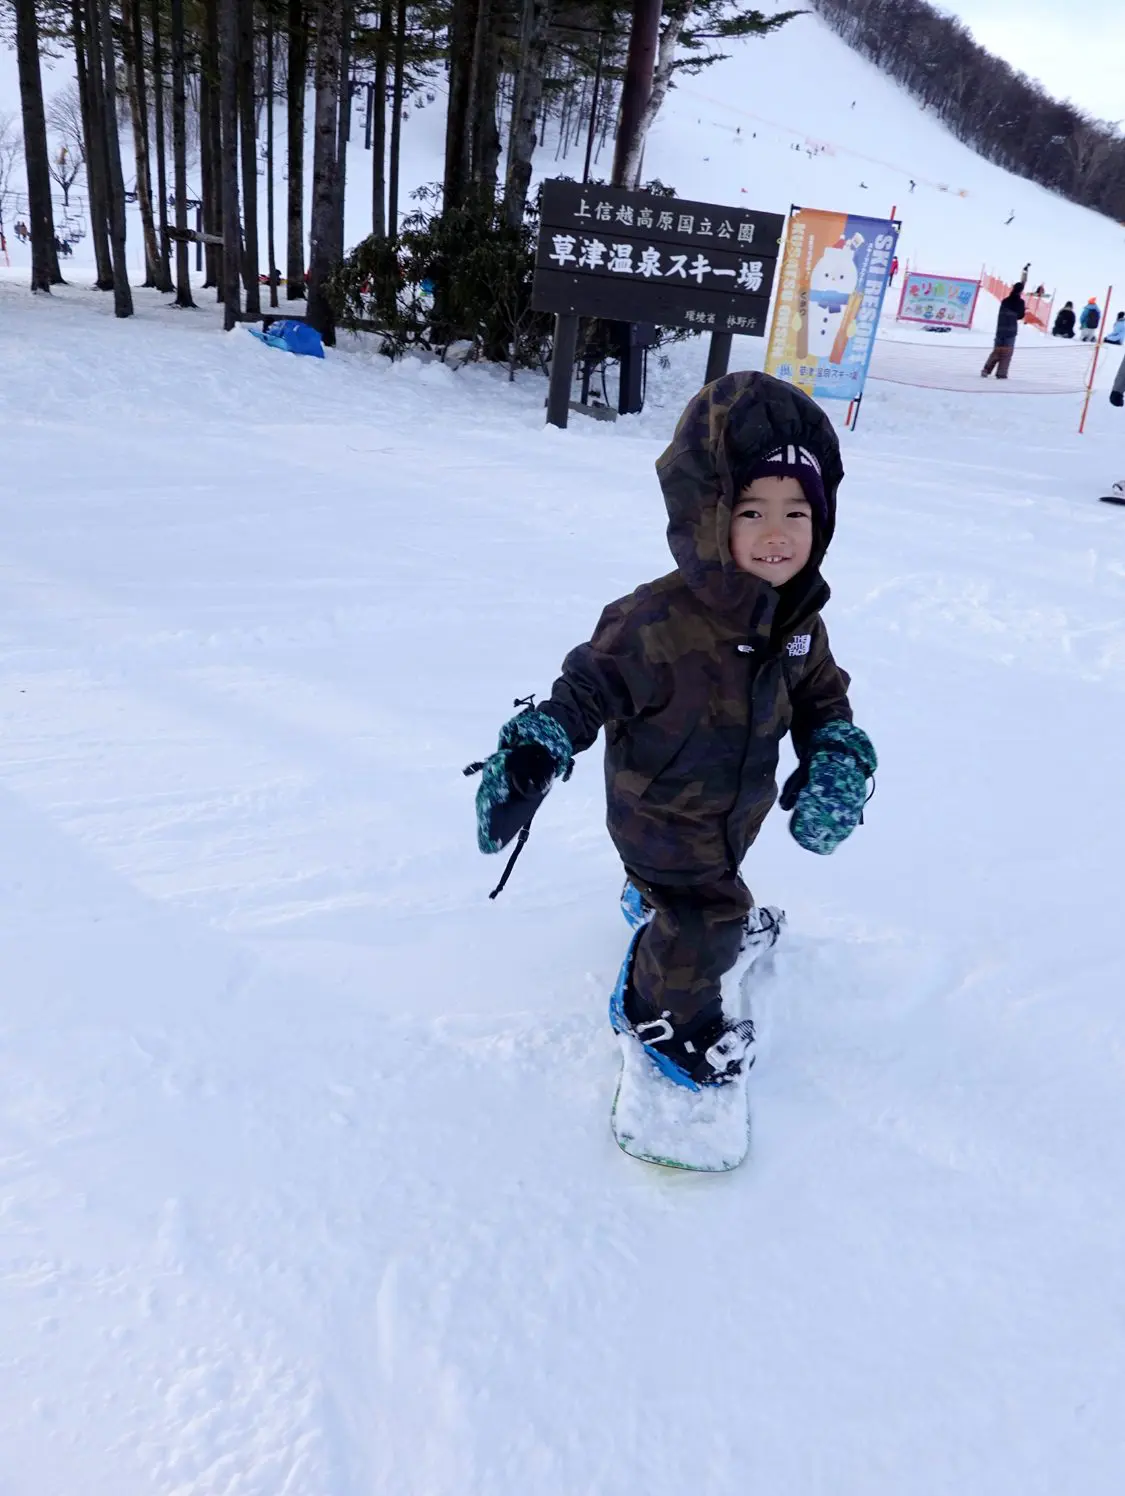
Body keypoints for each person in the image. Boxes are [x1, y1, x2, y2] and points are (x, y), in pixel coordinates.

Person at [470, 373, 875, 1090]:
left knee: (713, 882)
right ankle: (660, 1015)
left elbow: (821, 698)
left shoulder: (797, 621)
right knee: (709, 917)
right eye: (750, 511)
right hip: (658, 815)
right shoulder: (653, 620)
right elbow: (584, 688)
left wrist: (834, 753)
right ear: (706, 514)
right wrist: (539, 744)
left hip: (730, 813)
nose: (776, 534)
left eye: (796, 512)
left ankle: (664, 905)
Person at [982, 280, 1026, 379]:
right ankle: (1001, 373)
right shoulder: (1020, 302)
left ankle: (986, 369)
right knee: (1007, 353)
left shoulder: (1005, 301)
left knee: (996, 351)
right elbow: (1020, 316)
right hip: (1011, 331)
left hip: (1000, 329)